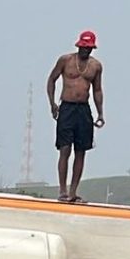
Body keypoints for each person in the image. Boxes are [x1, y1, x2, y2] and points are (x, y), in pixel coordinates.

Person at [46, 30, 105, 203]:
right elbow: (51, 80)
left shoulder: (96, 66)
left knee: (81, 150)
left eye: (89, 48)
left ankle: (73, 192)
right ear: (78, 46)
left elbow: (97, 90)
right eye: (83, 47)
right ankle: (62, 190)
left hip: (83, 110)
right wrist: (52, 104)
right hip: (67, 108)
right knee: (65, 149)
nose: (85, 51)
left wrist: (100, 112)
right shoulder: (66, 60)